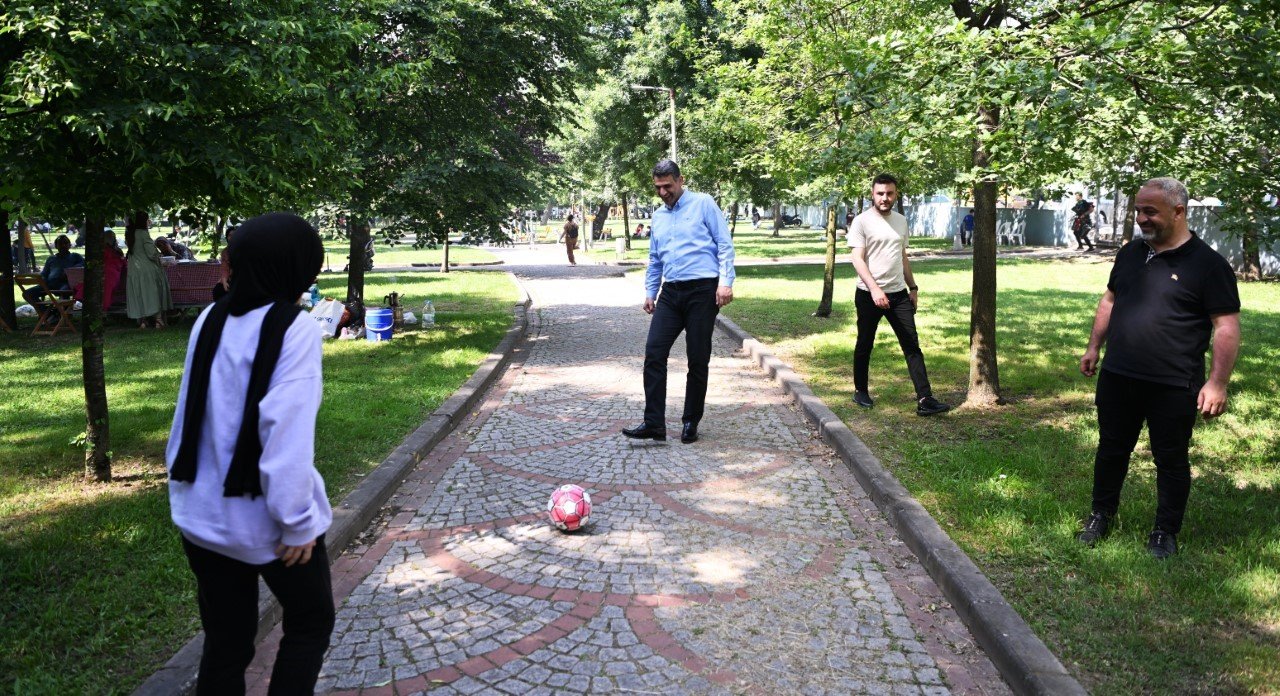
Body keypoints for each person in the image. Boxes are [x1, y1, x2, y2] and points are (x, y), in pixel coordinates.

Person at [166, 212, 334, 694]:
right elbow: (285, 434)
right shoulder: (295, 329)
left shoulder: (210, 317)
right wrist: (298, 521)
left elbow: (191, 413)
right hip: (268, 525)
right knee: (309, 623)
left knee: (226, 643)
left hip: (200, 516)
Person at [1076, 178, 1240, 559]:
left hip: (1173, 382)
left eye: (1150, 211)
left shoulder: (1208, 265)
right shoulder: (1131, 253)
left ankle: (1165, 532)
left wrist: (1217, 383)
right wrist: (1094, 346)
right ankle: (1101, 515)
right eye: (1138, 210)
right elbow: (1110, 300)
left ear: (1179, 212)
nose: (1141, 218)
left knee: (1170, 458)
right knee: (1112, 449)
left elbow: (1227, 326)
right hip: (1119, 374)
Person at [623, 159, 736, 445]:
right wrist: (650, 292)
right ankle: (654, 424)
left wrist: (725, 283)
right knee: (654, 352)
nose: (663, 193)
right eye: (658, 188)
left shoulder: (704, 204)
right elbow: (655, 258)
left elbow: (724, 244)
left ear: (680, 180)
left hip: (702, 291)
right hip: (670, 294)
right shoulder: (659, 216)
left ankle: (690, 421)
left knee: (698, 358)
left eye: (667, 186)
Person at [848, 173, 950, 416]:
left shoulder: (901, 221)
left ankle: (925, 398)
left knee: (912, 345)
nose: (885, 198)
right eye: (880, 193)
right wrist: (874, 289)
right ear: (872, 194)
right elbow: (857, 259)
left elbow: (902, 257)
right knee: (865, 344)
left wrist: (913, 287)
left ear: (896, 194)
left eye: (889, 193)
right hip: (868, 294)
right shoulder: (861, 222)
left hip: (898, 295)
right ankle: (860, 391)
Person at [124, 213, 173, 328]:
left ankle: (142, 321)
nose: (148, 221)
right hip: (148, 269)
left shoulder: (129, 233)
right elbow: (151, 253)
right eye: (147, 219)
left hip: (134, 270)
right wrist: (160, 257)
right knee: (153, 294)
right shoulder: (143, 233)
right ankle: (158, 320)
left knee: (139, 295)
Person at [73, 230, 127, 311]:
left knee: (100, 283)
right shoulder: (109, 250)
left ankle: (85, 303)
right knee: (99, 283)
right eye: (114, 238)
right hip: (109, 275)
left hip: (110, 275)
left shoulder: (106, 250)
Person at [22, 234, 83, 305]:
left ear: (69, 245)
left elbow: (83, 264)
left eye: (65, 243)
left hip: (65, 283)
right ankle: (46, 311)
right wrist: (43, 280)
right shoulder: (51, 259)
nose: (63, 245)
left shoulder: (75, 256)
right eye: (60, 243)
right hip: (50, 284)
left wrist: (69, 271)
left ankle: (65, 313)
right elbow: (44, 273)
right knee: (27, 294)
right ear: (56, 246)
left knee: (64, 291)